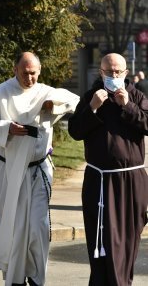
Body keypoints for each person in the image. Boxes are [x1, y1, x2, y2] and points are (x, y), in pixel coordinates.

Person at [0, 52, 79, 285]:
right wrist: (6, 128)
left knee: (37, 227)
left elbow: (74, 100)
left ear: (39, 71)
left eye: (33, 73)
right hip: (7, 170)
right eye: (25, 73)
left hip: (38, 169)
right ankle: (14, 278)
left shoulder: (45, 92)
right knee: (12, 227)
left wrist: (55, 105)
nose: (29, 78)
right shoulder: (0, 93)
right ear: (15, 70)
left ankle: (36, 277)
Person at [68, 53, 148, 286]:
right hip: (99, 181)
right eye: (109, 71)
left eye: (118, 72)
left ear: (125, 73)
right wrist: (92, 108)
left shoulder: (136, 96)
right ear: (100, 72)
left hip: (130, 181)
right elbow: (75, 131)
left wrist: (128, 106)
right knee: (101, 240)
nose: (114, 76)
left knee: (126, 240)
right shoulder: (90, 97)